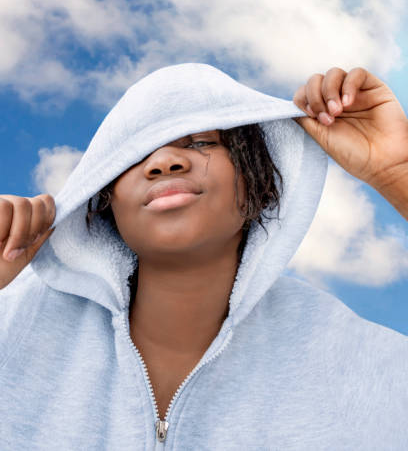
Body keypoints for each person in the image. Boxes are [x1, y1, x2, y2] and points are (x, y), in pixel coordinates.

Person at [0, 63, 407, 450]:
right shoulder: (14, 322)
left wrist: (398, 173)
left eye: (199, 142)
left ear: (260, 180)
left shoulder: (350, 358)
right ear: (105, 201)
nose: (163, 162)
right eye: (134, 155)